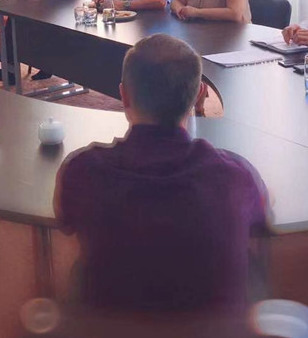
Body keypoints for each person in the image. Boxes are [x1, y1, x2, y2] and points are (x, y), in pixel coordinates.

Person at [54, 34, 269, 312]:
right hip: (214, 330)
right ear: (200, 95)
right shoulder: (235, 176)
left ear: (123, 95)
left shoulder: (82, 171)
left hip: (111, 327)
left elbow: (65, 221)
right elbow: (262, 218)